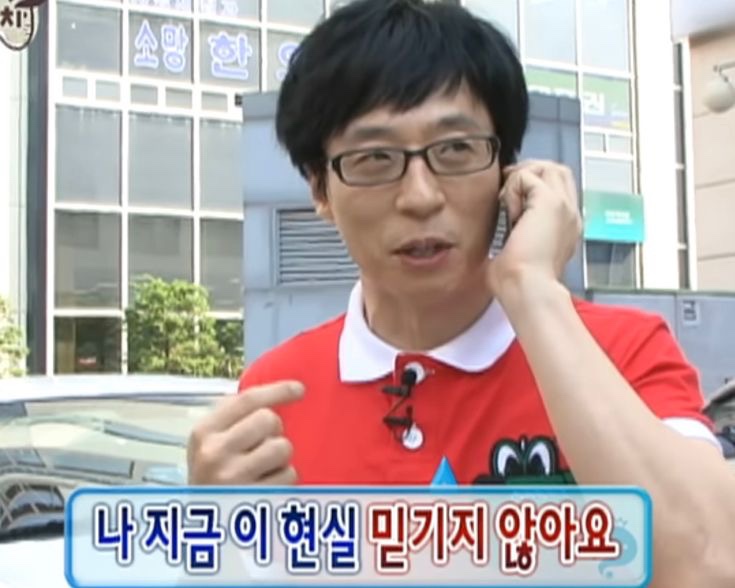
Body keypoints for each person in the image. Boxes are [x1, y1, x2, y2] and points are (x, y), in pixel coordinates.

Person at [187, 0, 735, 585]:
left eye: (455, 150)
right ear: (320, 189)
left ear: (508, 170)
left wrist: (531, 288)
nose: (421, 196)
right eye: (374, 158)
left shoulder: (622, 353)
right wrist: (212, 537)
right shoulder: (276, 395)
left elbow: (710, 561)